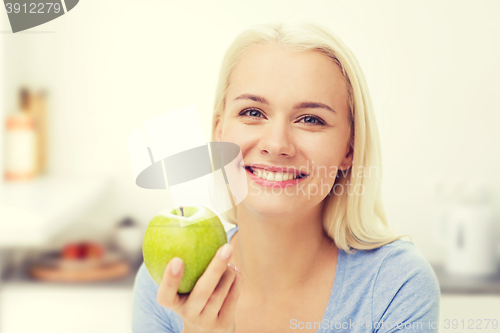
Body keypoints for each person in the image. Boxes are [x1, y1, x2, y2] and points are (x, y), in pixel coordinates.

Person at [132, 21, 441, 333]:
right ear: (219, 132)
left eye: (310, 119)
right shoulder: (169, 278)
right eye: (252, 113)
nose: (277, 144)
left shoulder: (396, 285)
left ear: (350, 147)